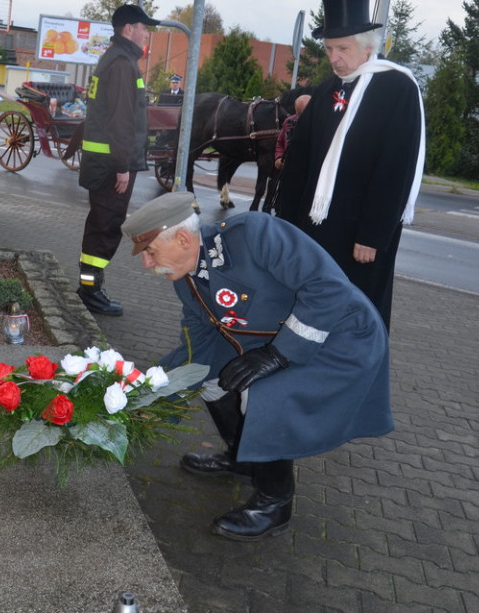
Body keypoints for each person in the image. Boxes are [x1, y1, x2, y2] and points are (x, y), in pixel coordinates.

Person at [121, 190, 393, 541]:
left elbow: (329, 289)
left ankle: (275, 502)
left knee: (262, 392)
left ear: (184, 238)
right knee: (207, 376)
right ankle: (243, 458)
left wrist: (279, 355)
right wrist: (147, 396)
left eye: (150, 252)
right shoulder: (186, 280)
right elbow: (196, 348)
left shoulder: (254, 234)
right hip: (278, 340)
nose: (147, 264)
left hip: (341, 336)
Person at [278, 0, 425, 330]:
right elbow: (299, 159)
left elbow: (395, 168)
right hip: (314, 228)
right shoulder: (330, 88)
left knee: (357, 314)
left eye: (343, 49)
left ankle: (356, 374)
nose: (334, 57)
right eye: (329, 49)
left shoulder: (396, 88)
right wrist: (286, 222)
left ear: (367, 46)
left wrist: (373, 235)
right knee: (310, 308)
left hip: (360, 235)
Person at [77, 4, 159, 316]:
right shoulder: (124, 64)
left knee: (101, 224)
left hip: (103, 162)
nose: (146, 33)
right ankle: (90, 292)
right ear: (128, 29)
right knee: (105, 227)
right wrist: (123, 166)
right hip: (112, 166)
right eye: (143, 27)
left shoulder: (112, 59)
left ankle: (89, 286)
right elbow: (121, 121)